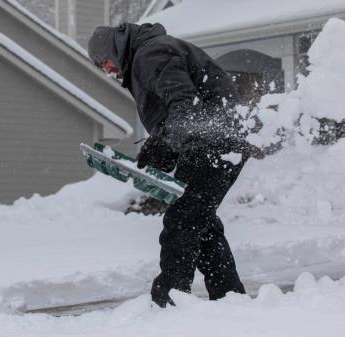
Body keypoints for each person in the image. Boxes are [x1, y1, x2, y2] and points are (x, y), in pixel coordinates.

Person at [88, 22, 253, 307]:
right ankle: (229, 296)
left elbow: (182, 104)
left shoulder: (151, 53)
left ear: (114, 48)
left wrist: (164, 144)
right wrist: (162, 145)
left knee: (183, 222)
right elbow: (181, 115)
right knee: (201, 222)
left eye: (105, 62)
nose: (108, 70)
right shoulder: (148, 54)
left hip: (214, 145)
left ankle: (169, 300)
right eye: (101, 67)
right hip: (216, 144)